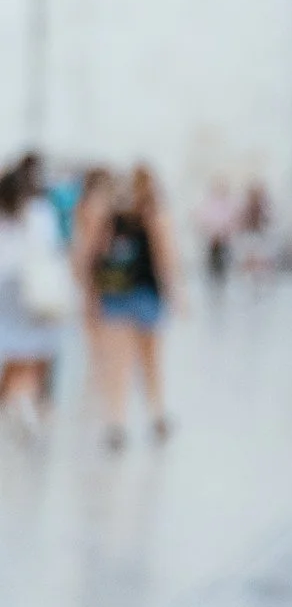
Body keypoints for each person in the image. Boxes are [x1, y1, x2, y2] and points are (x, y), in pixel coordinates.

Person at [75, 164, 182, 450]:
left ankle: (116, 420)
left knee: (117, 363)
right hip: (147, 293)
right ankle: (156, 410)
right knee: (150, 359)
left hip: (115, 294)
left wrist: (89, 294)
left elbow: (89, 257)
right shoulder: (156, 215)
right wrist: (176, 295)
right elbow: (165, 258)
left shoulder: (110, 216)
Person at [0, 157, 68, 427]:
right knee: (32, 350)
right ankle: (23, 400)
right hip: (31, 287)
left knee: (13, 348)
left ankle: (16, 399)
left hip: (6, 285)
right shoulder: (39, 211)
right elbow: (50, 246)